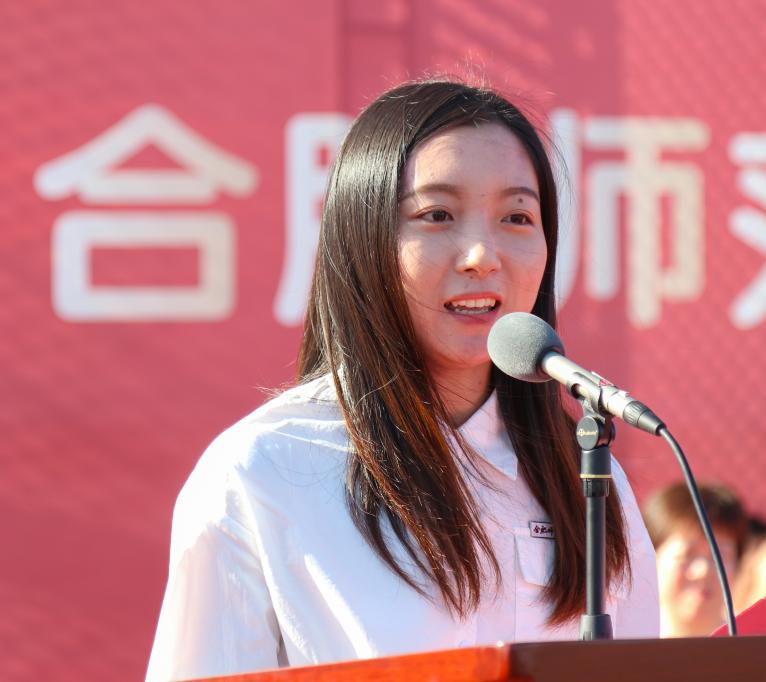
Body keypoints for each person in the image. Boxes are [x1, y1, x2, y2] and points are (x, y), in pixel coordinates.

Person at [145, 80, 658, 681]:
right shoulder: (263, 469)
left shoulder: (588, 478)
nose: (481, 255)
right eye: (437, 215)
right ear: (364, 239)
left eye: (517, 217)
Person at [642, 481, 748, 637]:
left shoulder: (756, 644)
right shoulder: (622, 641)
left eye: (719, 557)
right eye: (686, 555)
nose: (703, 571)